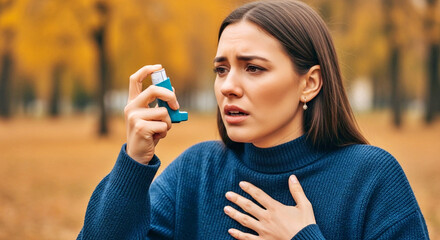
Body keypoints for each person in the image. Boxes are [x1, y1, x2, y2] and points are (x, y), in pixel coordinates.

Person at [77, 0, 429, 239]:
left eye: (253, 68)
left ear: (309, 83)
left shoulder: (371, 178)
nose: (228, 86)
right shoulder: (196, 173)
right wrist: (133, 164)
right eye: (221, 69)